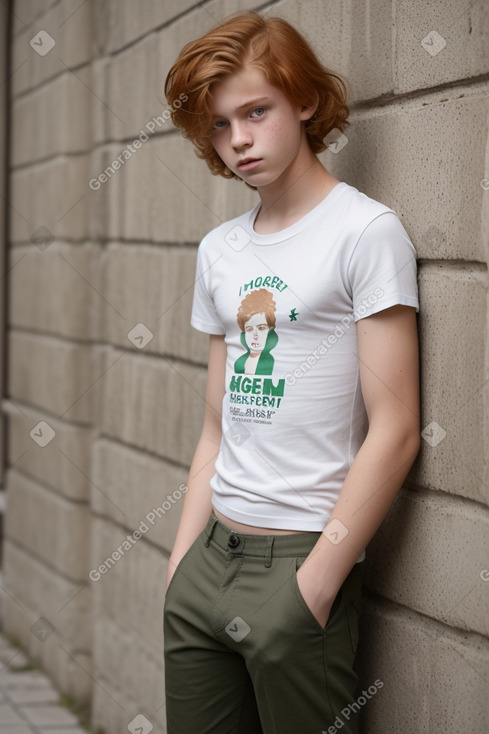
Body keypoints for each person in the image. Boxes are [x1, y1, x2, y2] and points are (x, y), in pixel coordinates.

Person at [163, 11, 420, 734]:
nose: (238, 139)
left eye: (255, 111)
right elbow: (215, 423)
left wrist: (315, 584)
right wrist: (180, 565)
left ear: (302, 101)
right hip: (207, 560)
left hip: (299, 561)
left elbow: (397, 429)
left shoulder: (364, 232)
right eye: (218, 125)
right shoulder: (218, 250)